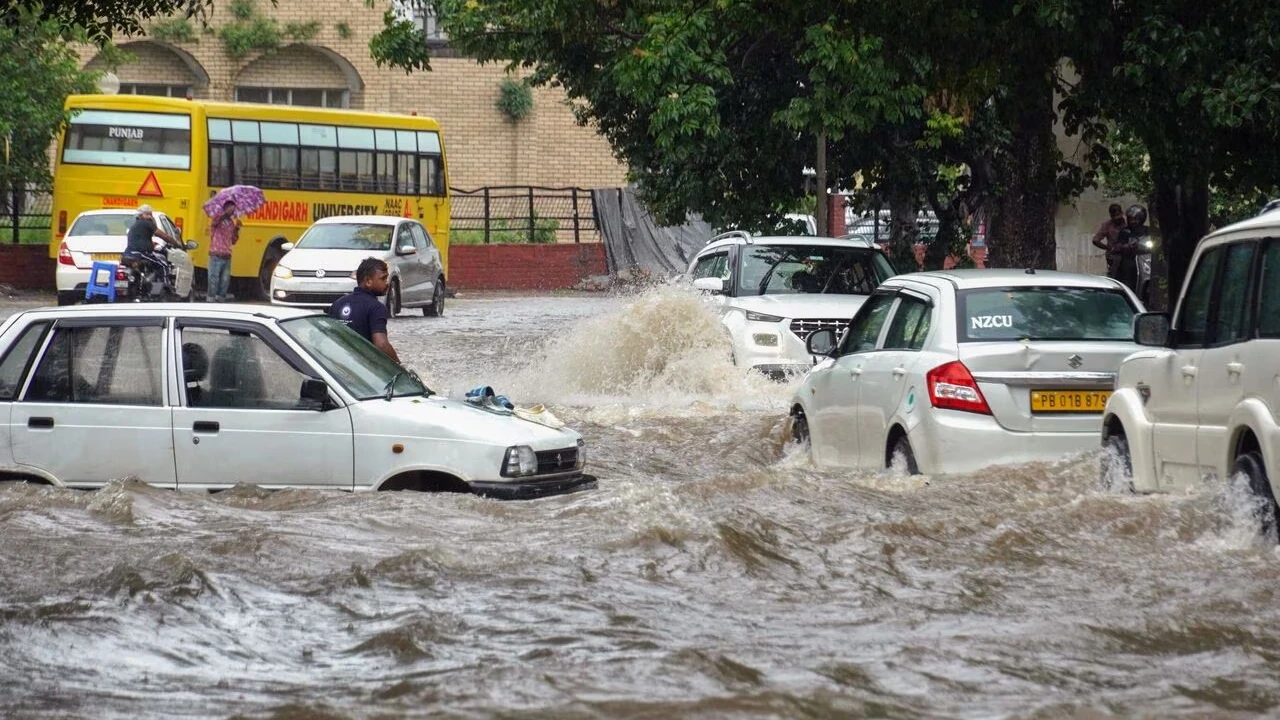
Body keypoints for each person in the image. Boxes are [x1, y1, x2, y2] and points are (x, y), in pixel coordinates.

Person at [327, 257, 400, 363]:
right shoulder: (376, 307)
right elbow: (381, 345)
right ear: (368, 281)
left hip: (338, 364)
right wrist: (400, 367)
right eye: (383, 279)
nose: (387, 283)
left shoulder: (338, 303)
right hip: (363, 368)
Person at [123, 204, 178, 295]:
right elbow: (163, 236)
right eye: (148, 214)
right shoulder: (147, 223)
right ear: (141, 215)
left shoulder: (136, 225)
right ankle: (166, 287)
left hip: (128, 253)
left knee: (153, 263)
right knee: (163, 265)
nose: (150, 216)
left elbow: (142, 239)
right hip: (141, 253)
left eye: (151, 214)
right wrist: (175, 243)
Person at [1110, 205, 1152, 295]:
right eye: (1130, 219)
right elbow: (1118, 244)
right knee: (1126, 274)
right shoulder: (1125, 231)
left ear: (1142, 218)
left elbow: (1154, 242)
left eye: (1135, 219)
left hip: (1146, 259)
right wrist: (1126, 246)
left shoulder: (1148, 231)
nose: (1132, 221)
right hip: (1130, 260)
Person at [207, 200, 240, 302]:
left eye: (233, 209)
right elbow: (215, 222)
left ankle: (221, 299)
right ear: (225, 209)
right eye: (230, 208)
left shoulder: (231, 223)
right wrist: (225, 214)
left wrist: (237, 229)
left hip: (227, 254)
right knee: (214, 279)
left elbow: (233, 240)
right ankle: (211, 299)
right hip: (216, 254)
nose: (232, 211)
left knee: (225, 280)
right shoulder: (217, 219)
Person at [1092, 203, 1126, 278]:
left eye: (1118, 215)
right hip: (1114, 255)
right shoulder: (1107, 225)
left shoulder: (1128, 223)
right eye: (1114, 216)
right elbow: (1095, 240)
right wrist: (1109, 248)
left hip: (1128, 254)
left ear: (1122, 213)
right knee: (1114, 276)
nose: (1116, 218)